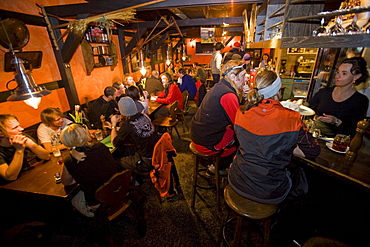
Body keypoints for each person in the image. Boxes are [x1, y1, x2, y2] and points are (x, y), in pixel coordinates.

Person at [228, 71, 321, 205]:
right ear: (278, 91)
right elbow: (313, 151)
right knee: (299, 180)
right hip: (269, 190)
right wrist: (286, 146)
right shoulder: (292, 117)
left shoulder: (241, 111)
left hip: (238, 179)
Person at [191, 60, 247, 175]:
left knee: (235, 133)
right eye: (243, 76)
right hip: (206, 142)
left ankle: (216, 165)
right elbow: (240, 123)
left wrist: (244, 97)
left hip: (198, 134)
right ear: (232, 76)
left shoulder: (220, 86)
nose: (246, 79)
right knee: (242, 139)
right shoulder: (228, 95)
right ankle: (217, 168)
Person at [60, 123, 117, 217]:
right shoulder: (100, 146)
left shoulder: (70, 160)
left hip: (97, 203)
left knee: (72, 198)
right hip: (116, 190)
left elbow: (66, 182)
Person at [308, 57, 369, 137]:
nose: (337, 76)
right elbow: (308, 107)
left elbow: (354, 131)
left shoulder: (360, 101)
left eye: (344, 73)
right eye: (338, 72)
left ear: (356, 77)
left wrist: (336, 121)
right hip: (314, 136)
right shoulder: (324, 92)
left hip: (337, 143)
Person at [109, 97, 159, 173]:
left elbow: (114, 143)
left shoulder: (127, 125)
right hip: (157, 153)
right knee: (125, 150)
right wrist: (120, 129)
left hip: (146, 162)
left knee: (116, 161)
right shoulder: (142, 115)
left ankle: (132, 181)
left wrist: (113, 125)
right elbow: (135, 129)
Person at [0, 114, 50, 181]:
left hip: (28, 177)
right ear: (1, 133)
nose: (21, 129)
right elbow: (10, 177)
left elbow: (47, 156)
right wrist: (19, 150)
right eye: (15, 127)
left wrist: (32, 146)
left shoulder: (21, 136)